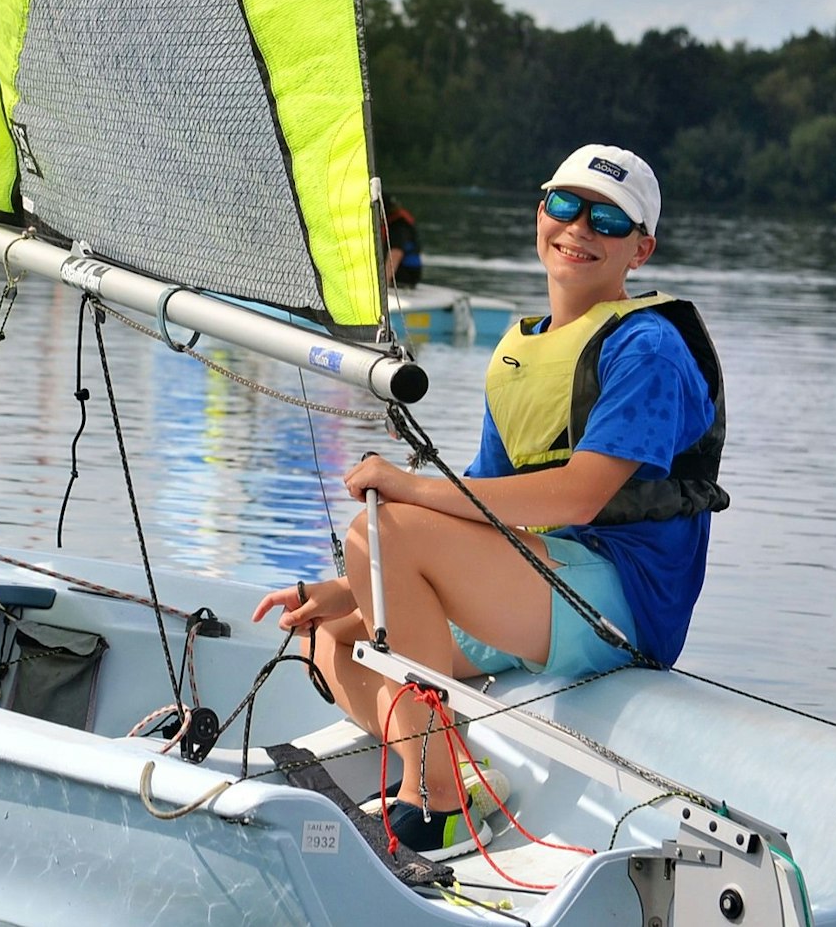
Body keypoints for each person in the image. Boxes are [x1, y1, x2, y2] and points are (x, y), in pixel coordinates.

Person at [255, 144, 727, 854]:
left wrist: (405, 491)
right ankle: (447, 769)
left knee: (382, 532)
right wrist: (348, 592)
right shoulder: (519, 350)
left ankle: (440, 799)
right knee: (329, 637)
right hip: (537, 586)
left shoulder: (648, 348)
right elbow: (480, 505)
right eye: (564, 205)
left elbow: (580, 496)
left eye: (607, 219)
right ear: (540, 213)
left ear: (642, 248)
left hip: (623, 602)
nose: (578, 228)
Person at [383, 196, 423, 288]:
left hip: (405, 275)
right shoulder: (396, 222)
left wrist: (384, 283)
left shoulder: (398, 225)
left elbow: (396, 253)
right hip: (407, 273)